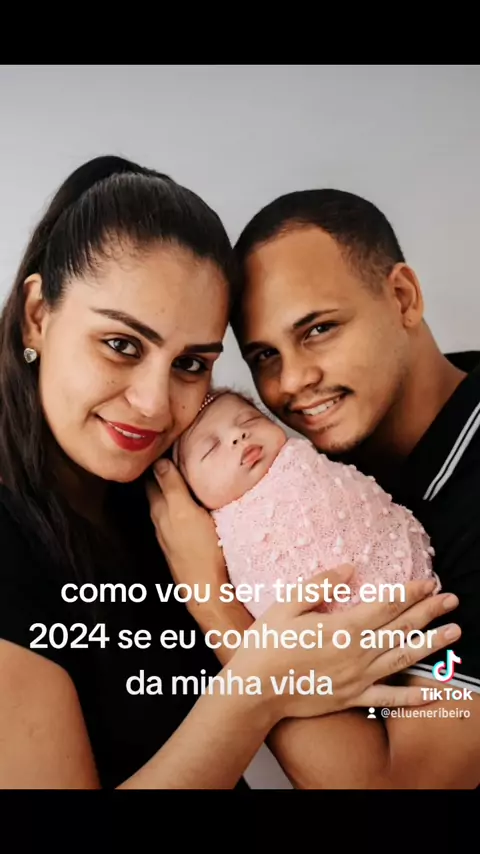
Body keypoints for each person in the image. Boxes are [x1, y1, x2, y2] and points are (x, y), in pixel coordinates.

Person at [0, 159, 458, 790]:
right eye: (122, 345)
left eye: (191, 363)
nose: (154, 404)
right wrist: (255, 676)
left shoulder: (189, 502)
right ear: (37, 315)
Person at [175, 186, 477, 789]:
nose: (292, 382)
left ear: (403, 297)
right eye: (264, 355)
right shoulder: (311, 479)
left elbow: (403, 790)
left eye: (317, 329)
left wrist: (212, 596)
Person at [173, 386, 440, 619]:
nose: (238, 434)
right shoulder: (213, 536)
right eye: (211, 448)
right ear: (189, 490)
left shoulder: (303, 461)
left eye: (249, 420)